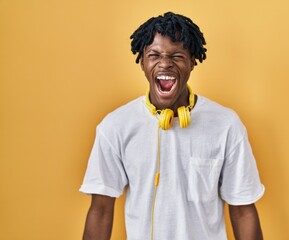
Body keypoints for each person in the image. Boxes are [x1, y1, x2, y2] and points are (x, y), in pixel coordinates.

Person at [80, 12, 265, 240]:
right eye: (154, 55)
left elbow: (243, 211)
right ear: (142, 62)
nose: (165, 63)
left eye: (177, 56)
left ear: (192, 62)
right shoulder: (115, 127)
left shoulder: (226, 125)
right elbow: (100, 211)